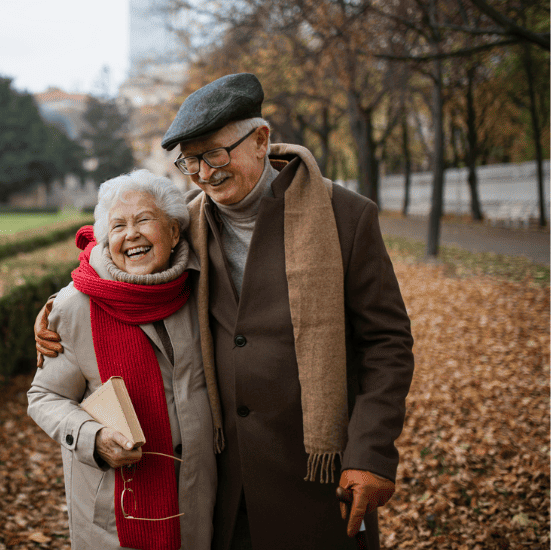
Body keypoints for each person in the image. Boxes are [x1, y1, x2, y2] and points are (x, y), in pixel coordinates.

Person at [34, 73, 414, 550]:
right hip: (223, 486)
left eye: (215, 154)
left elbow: (388, 343)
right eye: (191, 161)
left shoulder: (344, 216)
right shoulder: (187, 222)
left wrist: (372, 451)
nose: (205, 173)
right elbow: (118, 263)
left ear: (260, 140)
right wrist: (59, 307)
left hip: (321, 476)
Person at [27, 170, 215, 550]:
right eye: (118, 225)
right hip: (116, 509)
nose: (131, 234)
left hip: (199, 496)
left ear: (175, 232)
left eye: (144, 220)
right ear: (105, 238)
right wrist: (91, 437)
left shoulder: (202, 290)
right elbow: (44, 397)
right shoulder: (75, 305)